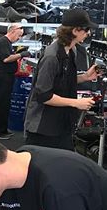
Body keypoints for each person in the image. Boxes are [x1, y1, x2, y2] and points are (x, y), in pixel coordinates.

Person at [24, 9, 100, 151]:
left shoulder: (72, 51)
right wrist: (76, 103)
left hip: (62, 123)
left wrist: (85, 77)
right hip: (44, 127)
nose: (88, 33)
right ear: (75, 31)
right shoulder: (51, 57)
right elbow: (44, 95)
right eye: (86, 29)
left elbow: (62, 81)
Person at [0, 23, 29, 139]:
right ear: (13, 31)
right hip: (3, 77)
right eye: (18, 35)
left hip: (7, 77)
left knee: (5, 104)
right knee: (2, 104)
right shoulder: (3, 42)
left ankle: (3, 128)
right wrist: (20, 54)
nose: (18, 38)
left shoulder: (8, 43)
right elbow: (6, 58)